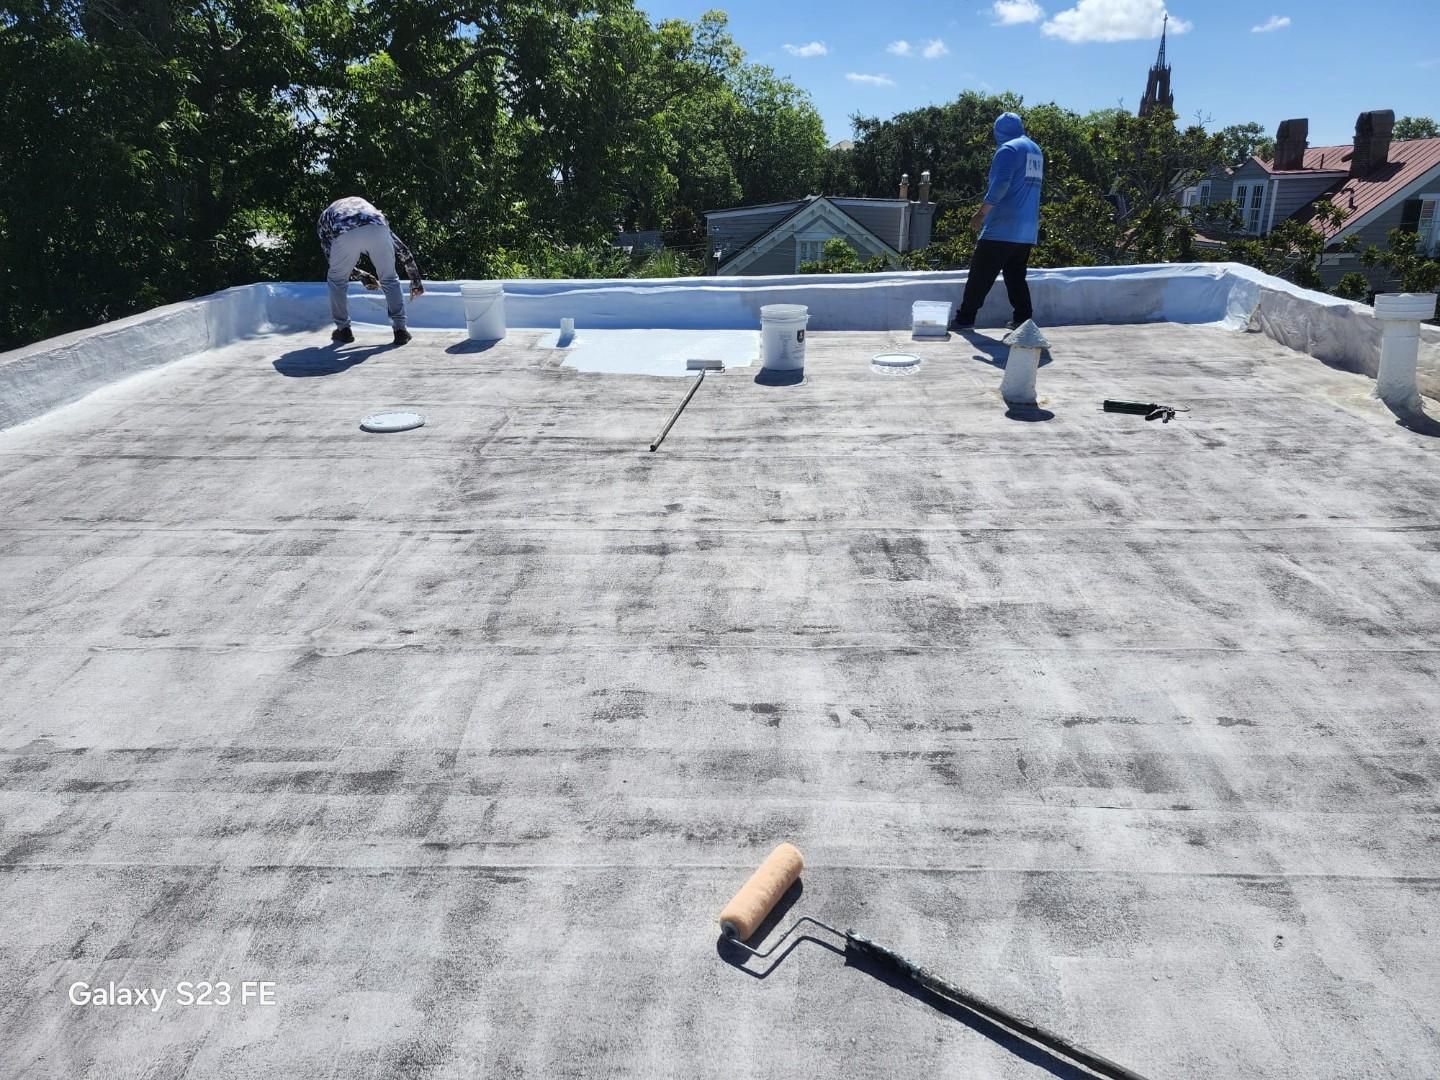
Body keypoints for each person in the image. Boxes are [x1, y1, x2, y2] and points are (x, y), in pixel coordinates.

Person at [951, 112, 1043, 331]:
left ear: (999, 131)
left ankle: (965, 318)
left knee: (980, 274)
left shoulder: (1009, 149)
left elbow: (1001, 184)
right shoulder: (1035, 150)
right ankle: (1023, 319)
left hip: (1003, 226)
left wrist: (981, 213)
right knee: (1015, 275)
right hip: (1027, 229)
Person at [317, 196, 424, 345]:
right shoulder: (369, 213)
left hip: (343, 230)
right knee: (389, 278)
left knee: (337, 280)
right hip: (377, 228)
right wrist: (416, 280)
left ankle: (343, 330)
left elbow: (332, 258)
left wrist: (360, 276)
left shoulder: (325, 218)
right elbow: (402, 250)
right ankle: (401, 331)